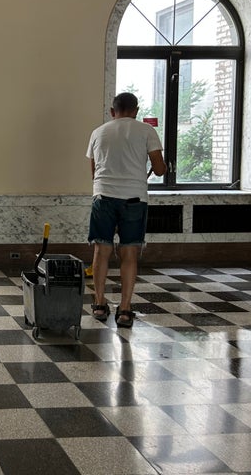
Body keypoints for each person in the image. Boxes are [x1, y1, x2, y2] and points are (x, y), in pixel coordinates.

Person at [86, 92, 166, 327]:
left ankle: (99, 304)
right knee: (129, 253)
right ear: (136, 111)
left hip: (103, 197)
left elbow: (94, 173)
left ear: (112, 111)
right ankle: (124, 309)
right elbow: (159, 169)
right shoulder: (146, 131)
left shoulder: (98, 132)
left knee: (101, 251)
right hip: (134, 199)